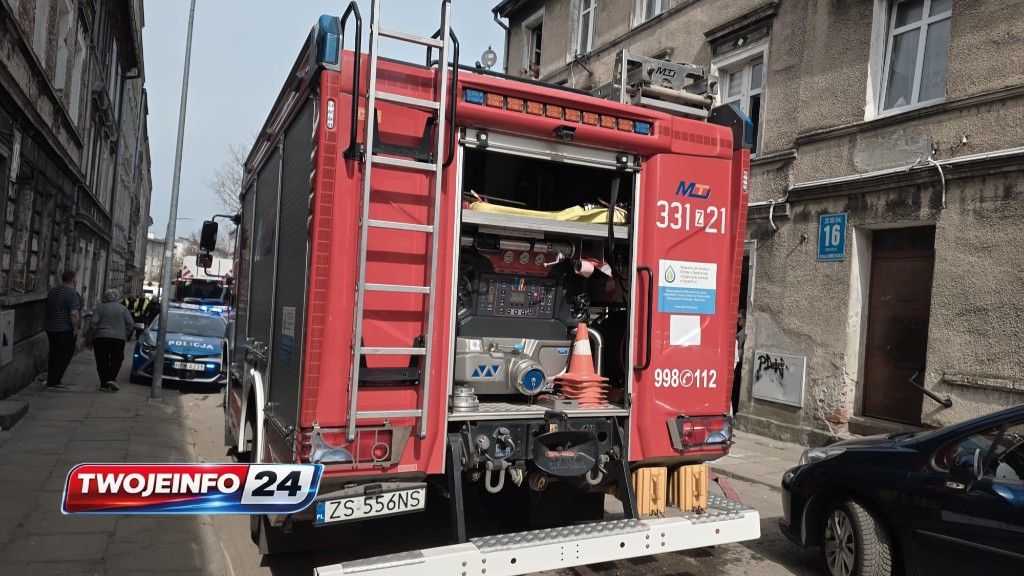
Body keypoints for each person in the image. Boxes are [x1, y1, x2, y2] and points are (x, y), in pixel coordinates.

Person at [44, 270, 83, 391]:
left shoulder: (53, 291)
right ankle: (54, 381)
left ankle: (51, 380)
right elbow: (74, 313)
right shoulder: (72, 294)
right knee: (65, 354)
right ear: (73, 280)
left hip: (51, 328)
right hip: (64, 329)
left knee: (54, 354)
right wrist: (75, 328)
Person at [89, 289, 135, 392]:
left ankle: (104, 385)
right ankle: (111, 378)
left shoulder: (100, 308)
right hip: (118, 339)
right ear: (117, 297)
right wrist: (125, 334)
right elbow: (131, 324)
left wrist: (96, 334)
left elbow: (93, 322)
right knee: (117, 359)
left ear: (105, 297)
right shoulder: (123, 309)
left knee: (102, 361)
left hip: (101, 338)